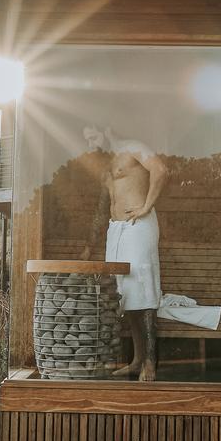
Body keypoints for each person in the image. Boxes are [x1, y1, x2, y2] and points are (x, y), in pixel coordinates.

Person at [81, 125, 168, 381]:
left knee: (145, 291)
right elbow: (102, 205)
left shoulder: (132, 148)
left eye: (94, 137)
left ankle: (151, 363)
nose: (91, 145)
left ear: (107, 130)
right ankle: (137, 359)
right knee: (125, 295)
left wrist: (147, 206)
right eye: (87, 141)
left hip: (138, 226)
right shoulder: (106, 166)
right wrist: (90, 246)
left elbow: (161, 170)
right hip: (116, 230)